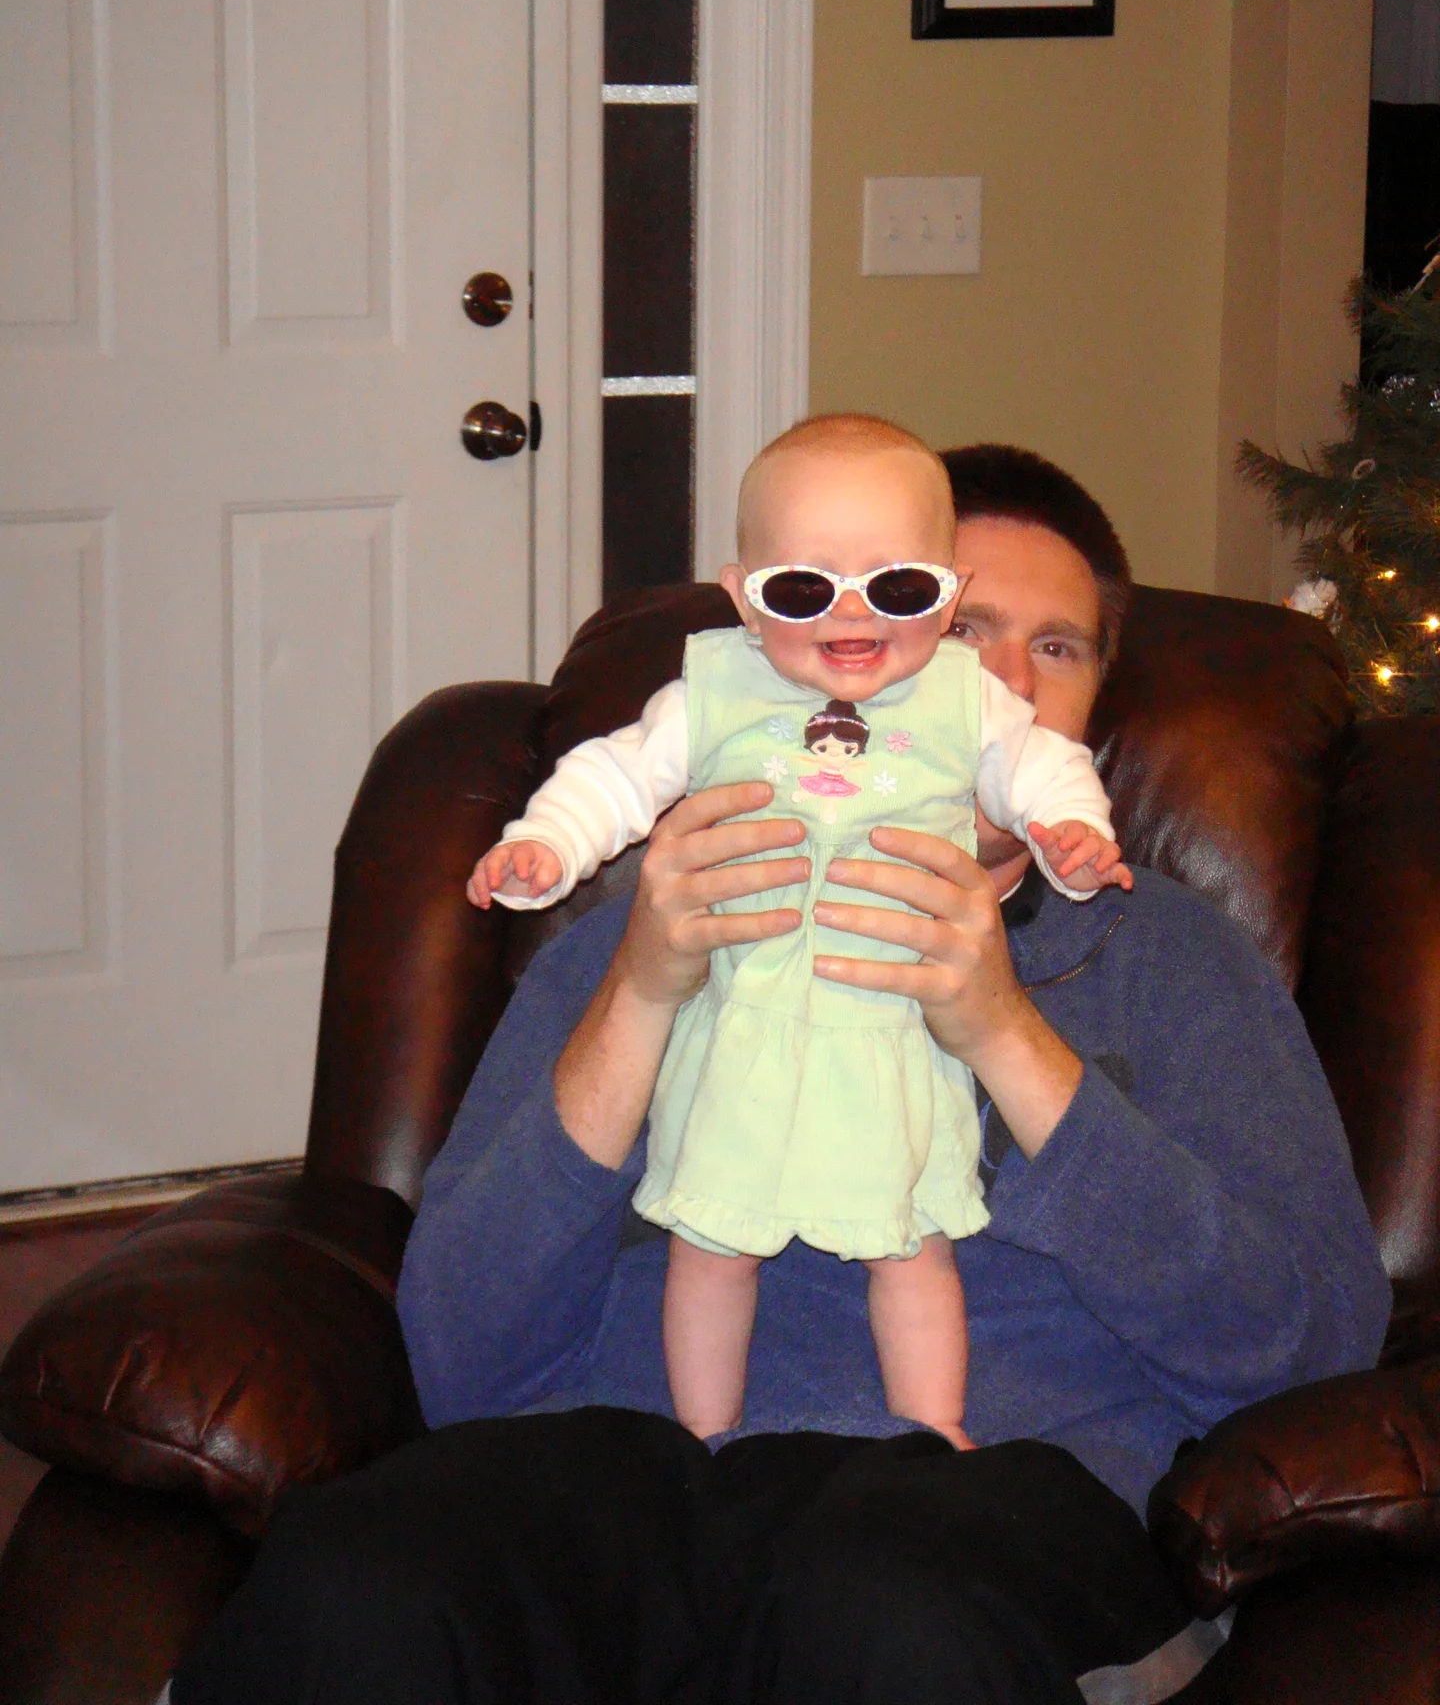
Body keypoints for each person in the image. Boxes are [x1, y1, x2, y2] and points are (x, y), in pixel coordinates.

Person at [169, 444, 1390, 1705]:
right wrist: (645, 993)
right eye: (967, 629)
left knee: (876, 1611)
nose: (1007, 680)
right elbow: (460, 1353)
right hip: (630, 1466)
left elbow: (1306, 1350)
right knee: (357, 1578)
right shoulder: (628, 935)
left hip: (986, 1490)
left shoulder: (1174, 962)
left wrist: (1005, 1037)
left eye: (1059, 648)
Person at [466, 417, 1129, 1451]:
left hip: (893, 1043)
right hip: (743, 1032)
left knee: (912, 1245)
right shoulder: (713, 697)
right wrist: (546, 845)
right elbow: (617, 773)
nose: (850, 615)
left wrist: (1073, 833)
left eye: (897, 589)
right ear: (743, 598)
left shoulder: (968, 705)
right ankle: (701, 1438)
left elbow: (1042, 767)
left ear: (937, 591)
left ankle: (936, 1433)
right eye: (802, 589)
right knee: (707, 1247)